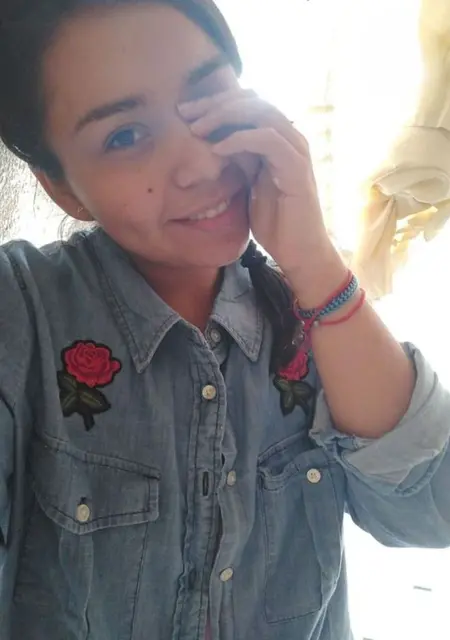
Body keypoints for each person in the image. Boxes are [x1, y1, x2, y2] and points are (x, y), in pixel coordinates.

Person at [0, 1, 449, 639]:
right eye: (125, 136)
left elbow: (429, 508)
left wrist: (316, 264)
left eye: (207, 99)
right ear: (62, 187)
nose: (203, 166)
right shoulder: (22, 311)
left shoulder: (309, 310)